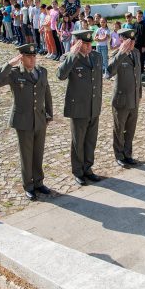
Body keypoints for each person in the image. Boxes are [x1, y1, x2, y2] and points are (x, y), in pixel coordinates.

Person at [0, 44, 53, 200]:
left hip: (39, 118)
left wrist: (49, 114)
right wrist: (9, 64)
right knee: (26, 154)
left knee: (38, 152)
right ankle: (28, 185)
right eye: (28, 56)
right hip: (23, 120)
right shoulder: (14, 73)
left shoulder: (42, 72)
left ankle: (38, 182)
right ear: (21, 58)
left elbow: (47, 92)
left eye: (33, 56)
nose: (32, 59)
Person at [56, 30, 103, 186]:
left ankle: (88, 168)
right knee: (78, 141)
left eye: (90, 43)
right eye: (86, 44)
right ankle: (78, 171)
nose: (90, 46)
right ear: (78, 44)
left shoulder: (96, 57)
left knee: (90, 141)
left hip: (93, 106)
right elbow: (61, 75)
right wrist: (71, 55)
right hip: (78, 108)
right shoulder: (69, 58)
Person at [106, 28, 142, 167]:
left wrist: (139, 93)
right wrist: (121, 52)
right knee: (119, 129)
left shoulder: (136, 53)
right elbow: (110, 71)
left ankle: (128, 154)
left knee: (131, 129)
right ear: (122, 40)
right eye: (129, 40)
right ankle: (119, 155)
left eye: (133, 40)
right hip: (121, 100)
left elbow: (138, 75)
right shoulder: (116, 54)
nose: (132, 43)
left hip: (133, 99)